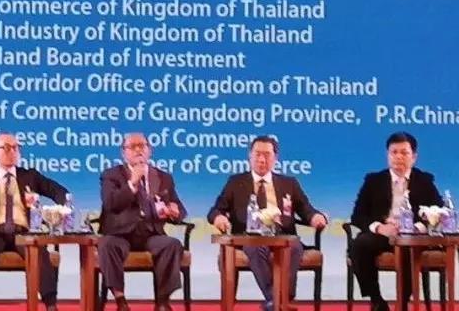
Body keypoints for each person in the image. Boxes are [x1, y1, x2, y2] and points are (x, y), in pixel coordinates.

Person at [208, 135, 327, 311]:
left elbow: (306, 209)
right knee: (255, 248)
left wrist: (316, 217)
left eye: (267, 155)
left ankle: (279, 299)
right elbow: (215, 210)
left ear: (275, 158)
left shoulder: (289, 183)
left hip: (283, 237)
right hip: (251, 238)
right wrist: (219, 218)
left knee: (293, 246)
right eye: (257, 154)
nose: (262, 159)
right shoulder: (236, 182)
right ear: (249, 156)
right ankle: (277, 300)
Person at [0, 133, 69, 311]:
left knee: (38, 250)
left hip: (24, 233)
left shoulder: (30, 176)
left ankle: (51, 305)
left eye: (16, 148)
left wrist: (59, 210)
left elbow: (60, 192)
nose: (12, 151)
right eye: (6, 147)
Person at [348, 132, 442, 311]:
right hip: (384, 235)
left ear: (414, 157)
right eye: (394, 152)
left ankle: (403, 302)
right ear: (388, 155)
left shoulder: (425, 181)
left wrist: (416, 227)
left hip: (413, 236)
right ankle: (376, 300)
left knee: (407, 248)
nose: (398, 157)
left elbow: (438, 212)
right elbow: (358, 215)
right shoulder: (373, 180)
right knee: (359, 244)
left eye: (404, 153)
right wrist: (380, 227)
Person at [98, 132, 187, 311]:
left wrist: (174, 212)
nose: (138, 150)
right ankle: (121, 301)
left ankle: (162, 302)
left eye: (142, 146)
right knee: (107, 244)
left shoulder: (163, 177)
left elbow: (178, 208)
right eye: (133, 147)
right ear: (124, 152)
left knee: (171, 244)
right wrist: (132, 183)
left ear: (150, 150)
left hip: (151, 233)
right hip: (119, 234)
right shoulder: (111, 175)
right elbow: (111, 204)